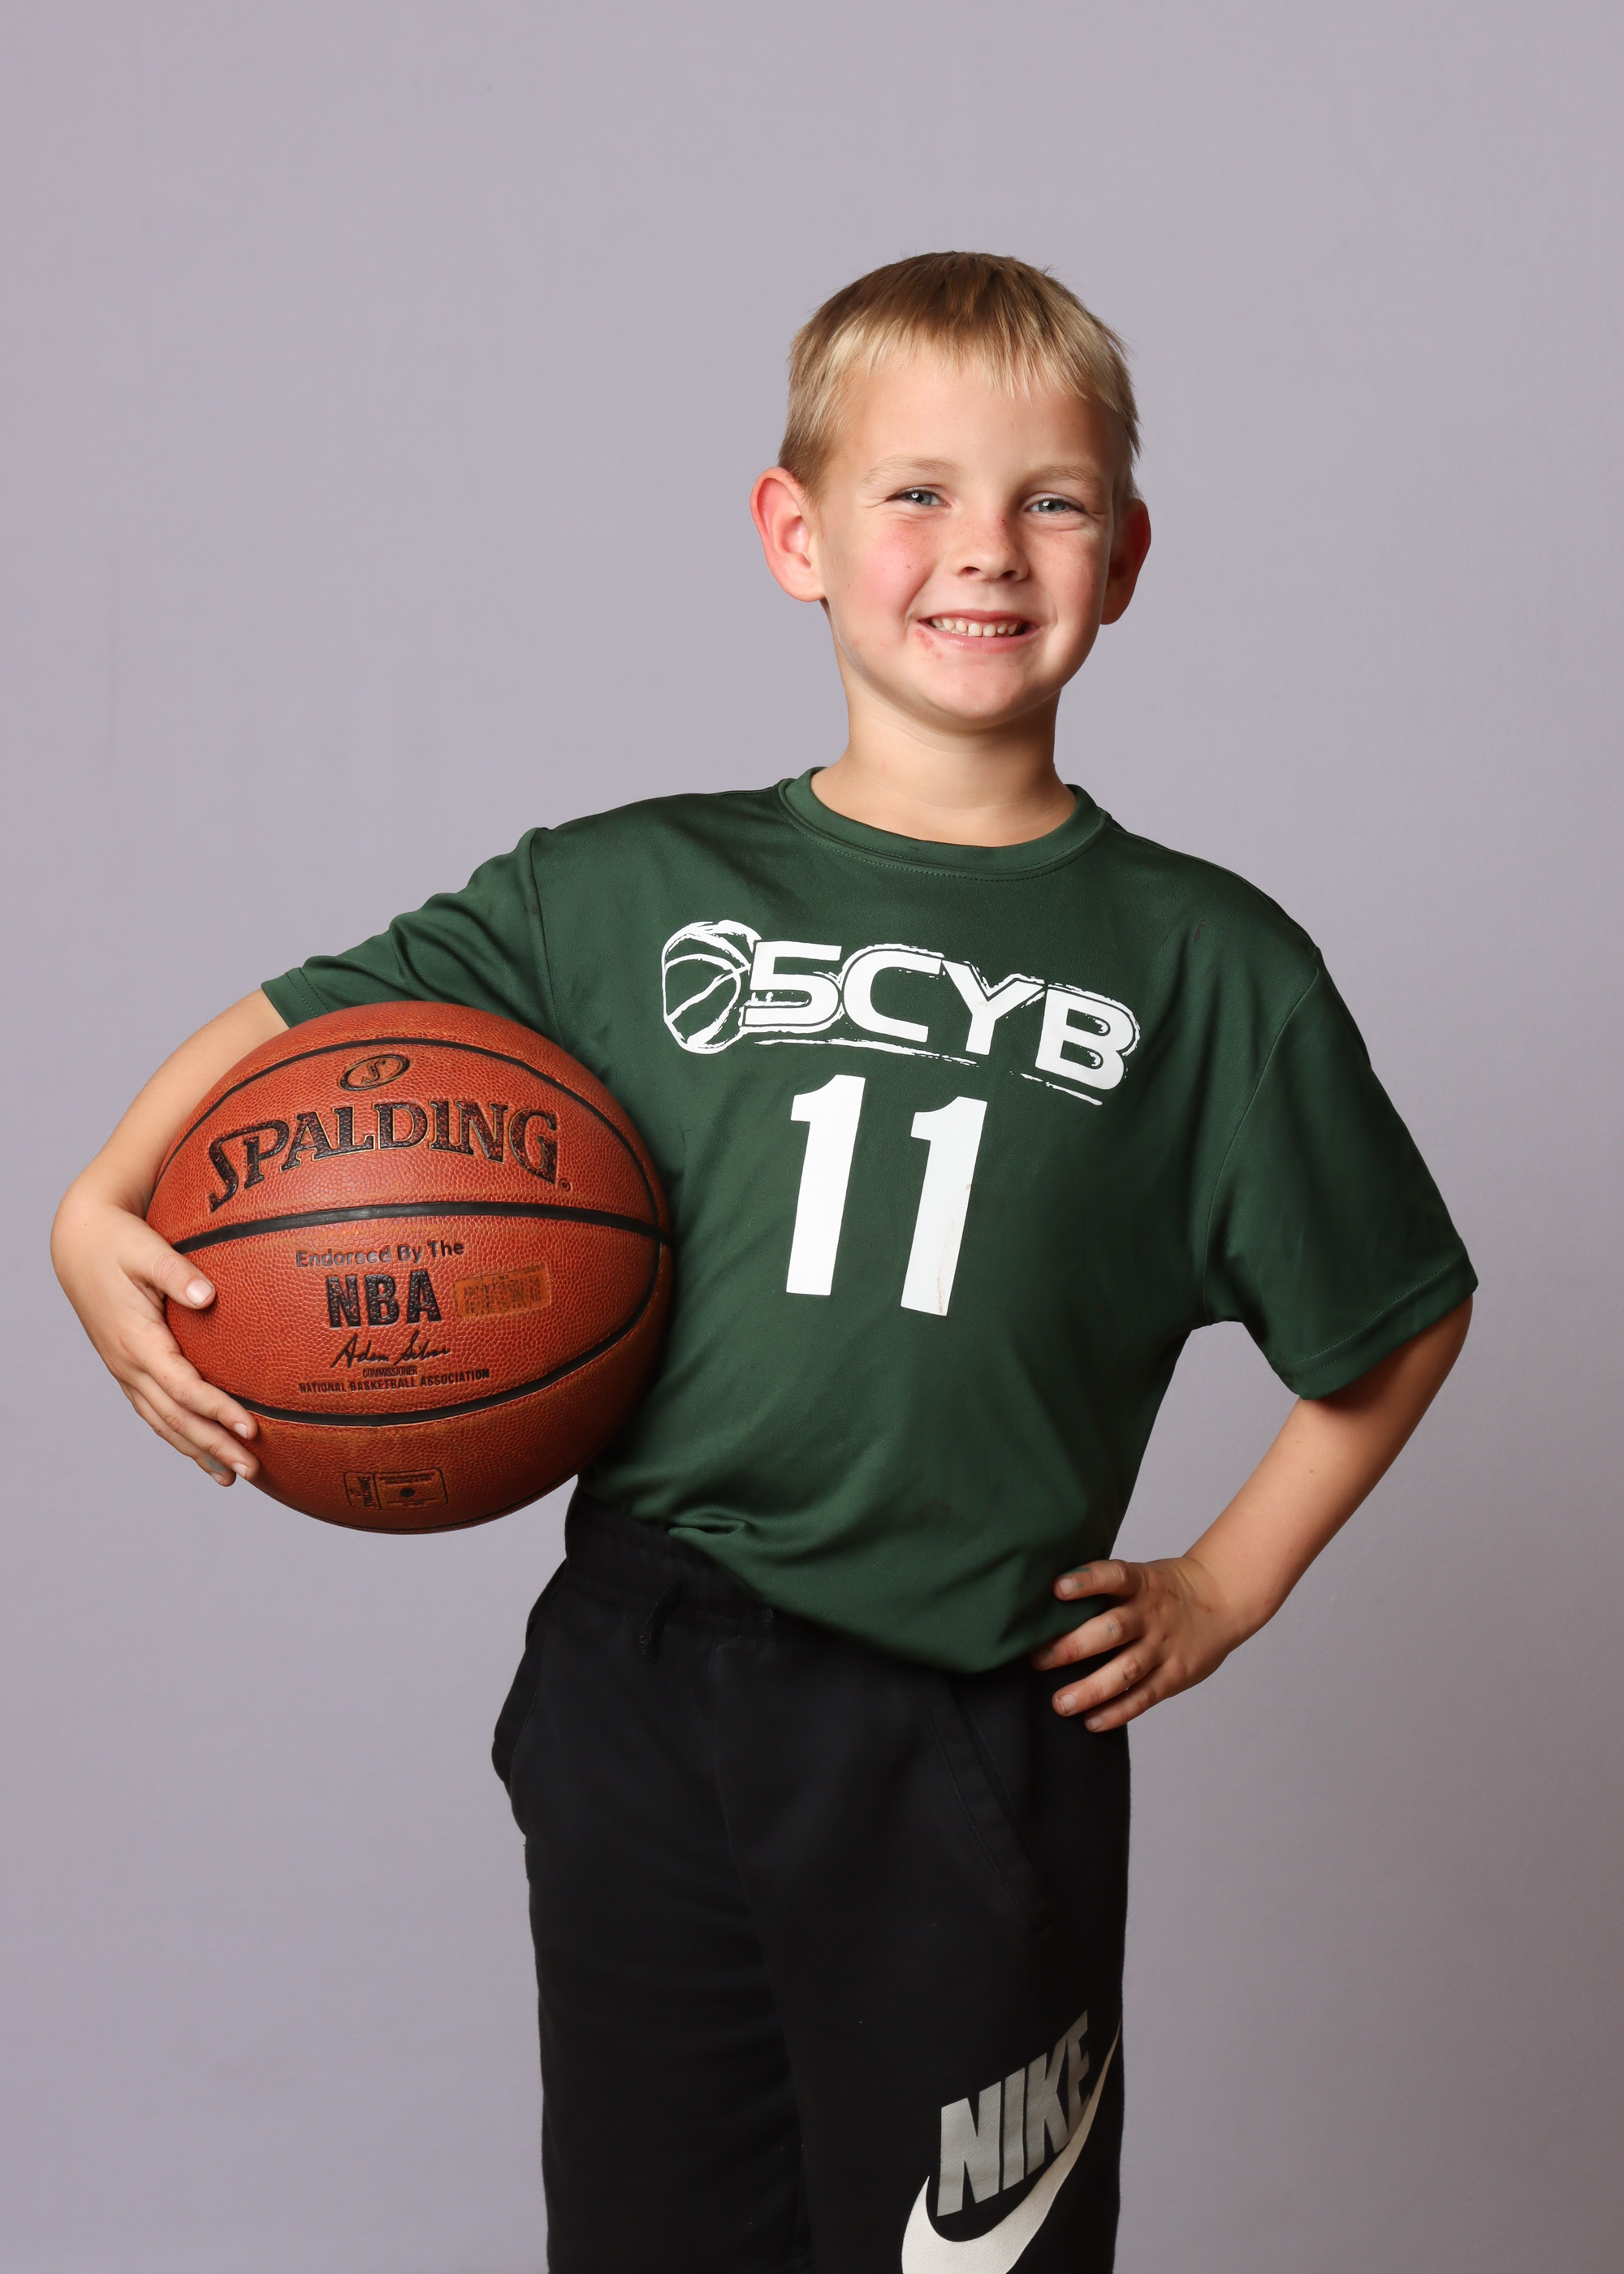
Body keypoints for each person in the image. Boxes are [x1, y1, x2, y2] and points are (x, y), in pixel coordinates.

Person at [52, 252, 1475, 2273]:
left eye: (1050, 500)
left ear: (1128, 555)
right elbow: (307, 1023)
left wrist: (1226, 1581)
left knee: (959, 2252)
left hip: (960, 1703)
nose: (983, 549)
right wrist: (96, 1199)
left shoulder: (1209, 965)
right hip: (640, 1676)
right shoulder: (622, 890)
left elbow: (1396, 1311)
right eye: (917, 493)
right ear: (794, 534)